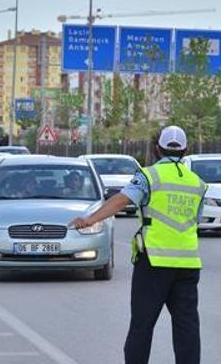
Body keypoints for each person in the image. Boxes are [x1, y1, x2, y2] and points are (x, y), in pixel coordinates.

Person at [70, 125, 206, 364]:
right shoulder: (198, 184)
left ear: (157, 149)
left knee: (142, 326)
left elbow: (122, 200)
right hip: (187, 264)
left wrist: (90, 219)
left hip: (153, 261)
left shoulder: (148, 176)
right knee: (187, 329)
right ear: (185, 150)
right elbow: (195, 219)